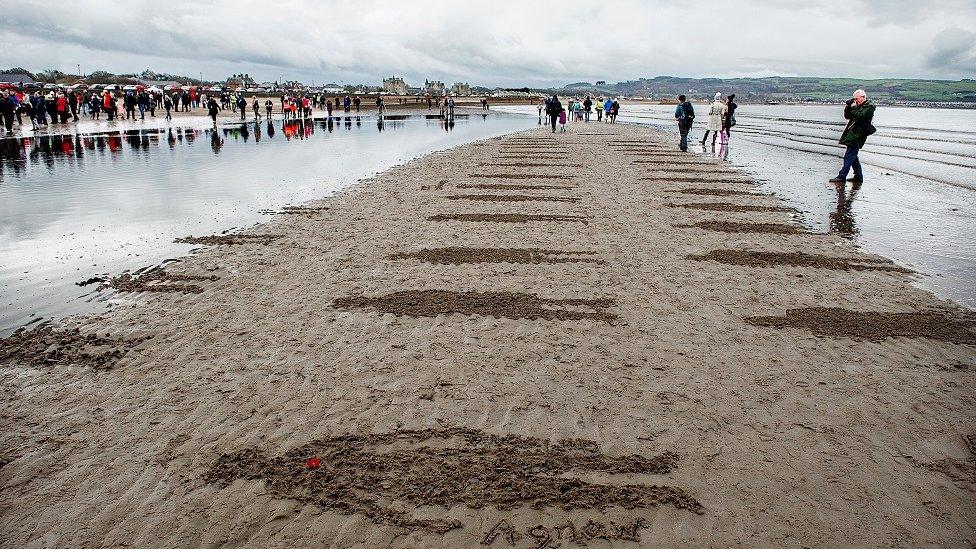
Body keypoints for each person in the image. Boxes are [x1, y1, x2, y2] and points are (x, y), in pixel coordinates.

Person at [829, 89, 875, 184]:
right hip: (851, 134)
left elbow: (860, 116)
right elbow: (847, 116)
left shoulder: (869, 107)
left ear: (863, 97)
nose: (855, 101)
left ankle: (842, 176)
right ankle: (858, 176)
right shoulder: (858, 106)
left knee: (849, 156)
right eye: (854, 99)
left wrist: (853, 107)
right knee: (853, 157)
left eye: (857, 99)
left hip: (858, 135)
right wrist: (848, 106)